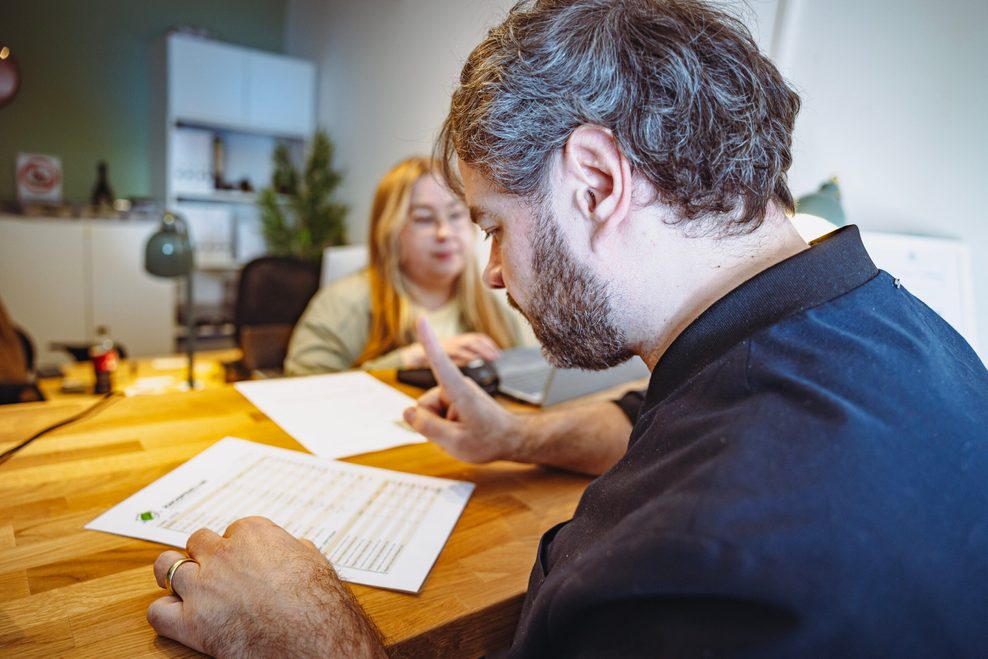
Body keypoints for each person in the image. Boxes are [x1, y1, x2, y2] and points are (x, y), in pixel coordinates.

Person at [148, 1, 988, 656]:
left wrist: (309, 637)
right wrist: (514, 434)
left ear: (595, 182)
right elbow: (663, 421)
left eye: (492, 225)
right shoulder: (900, 338)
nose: (491, 270)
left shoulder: (715, 565)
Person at [283, 156, 530, 375]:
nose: (444, 233)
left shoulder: (493, 309)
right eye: (424, 219)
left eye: (456, 215)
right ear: (389, 232)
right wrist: (411, 360)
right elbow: (300, 388)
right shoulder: (342, 305)